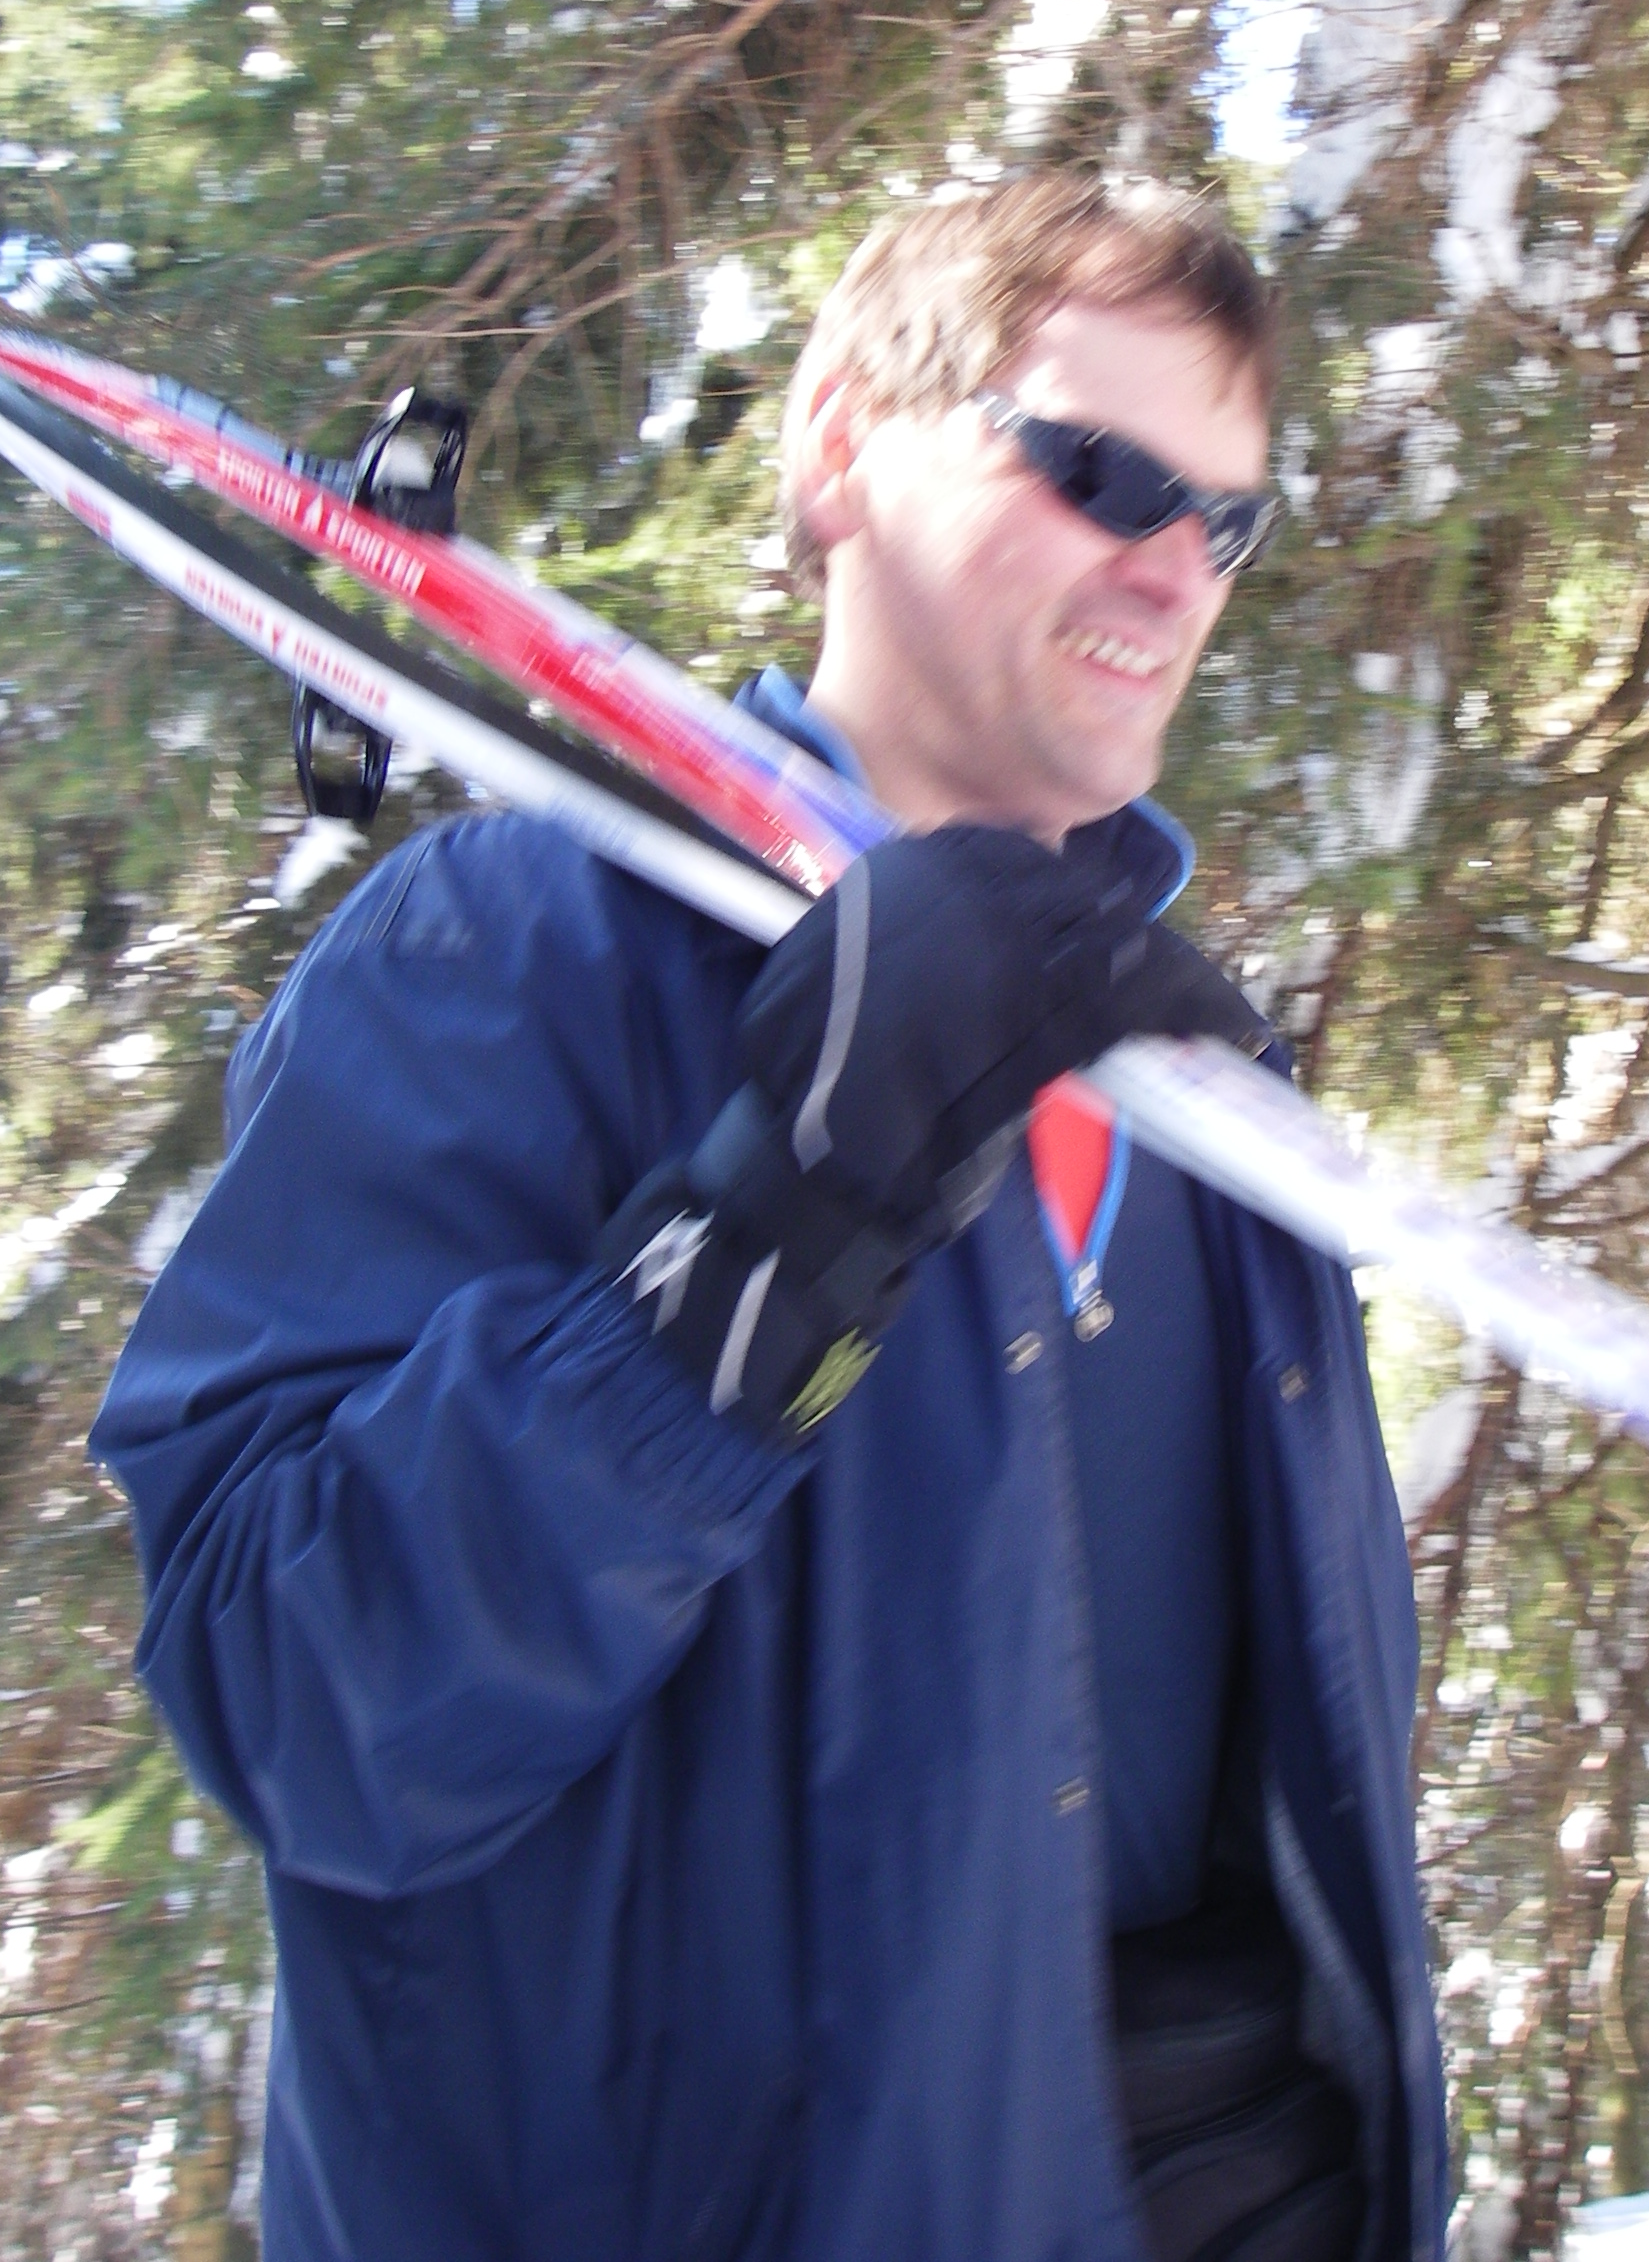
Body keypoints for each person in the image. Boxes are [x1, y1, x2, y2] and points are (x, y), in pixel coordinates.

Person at [93, 173, 1446, 2262]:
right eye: (1096, 472)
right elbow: (299, 1697)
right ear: (839, 451)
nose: (1173, 566)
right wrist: (767, 1232)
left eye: (1226, 520)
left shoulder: (1210, 1097)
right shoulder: (506, 954)